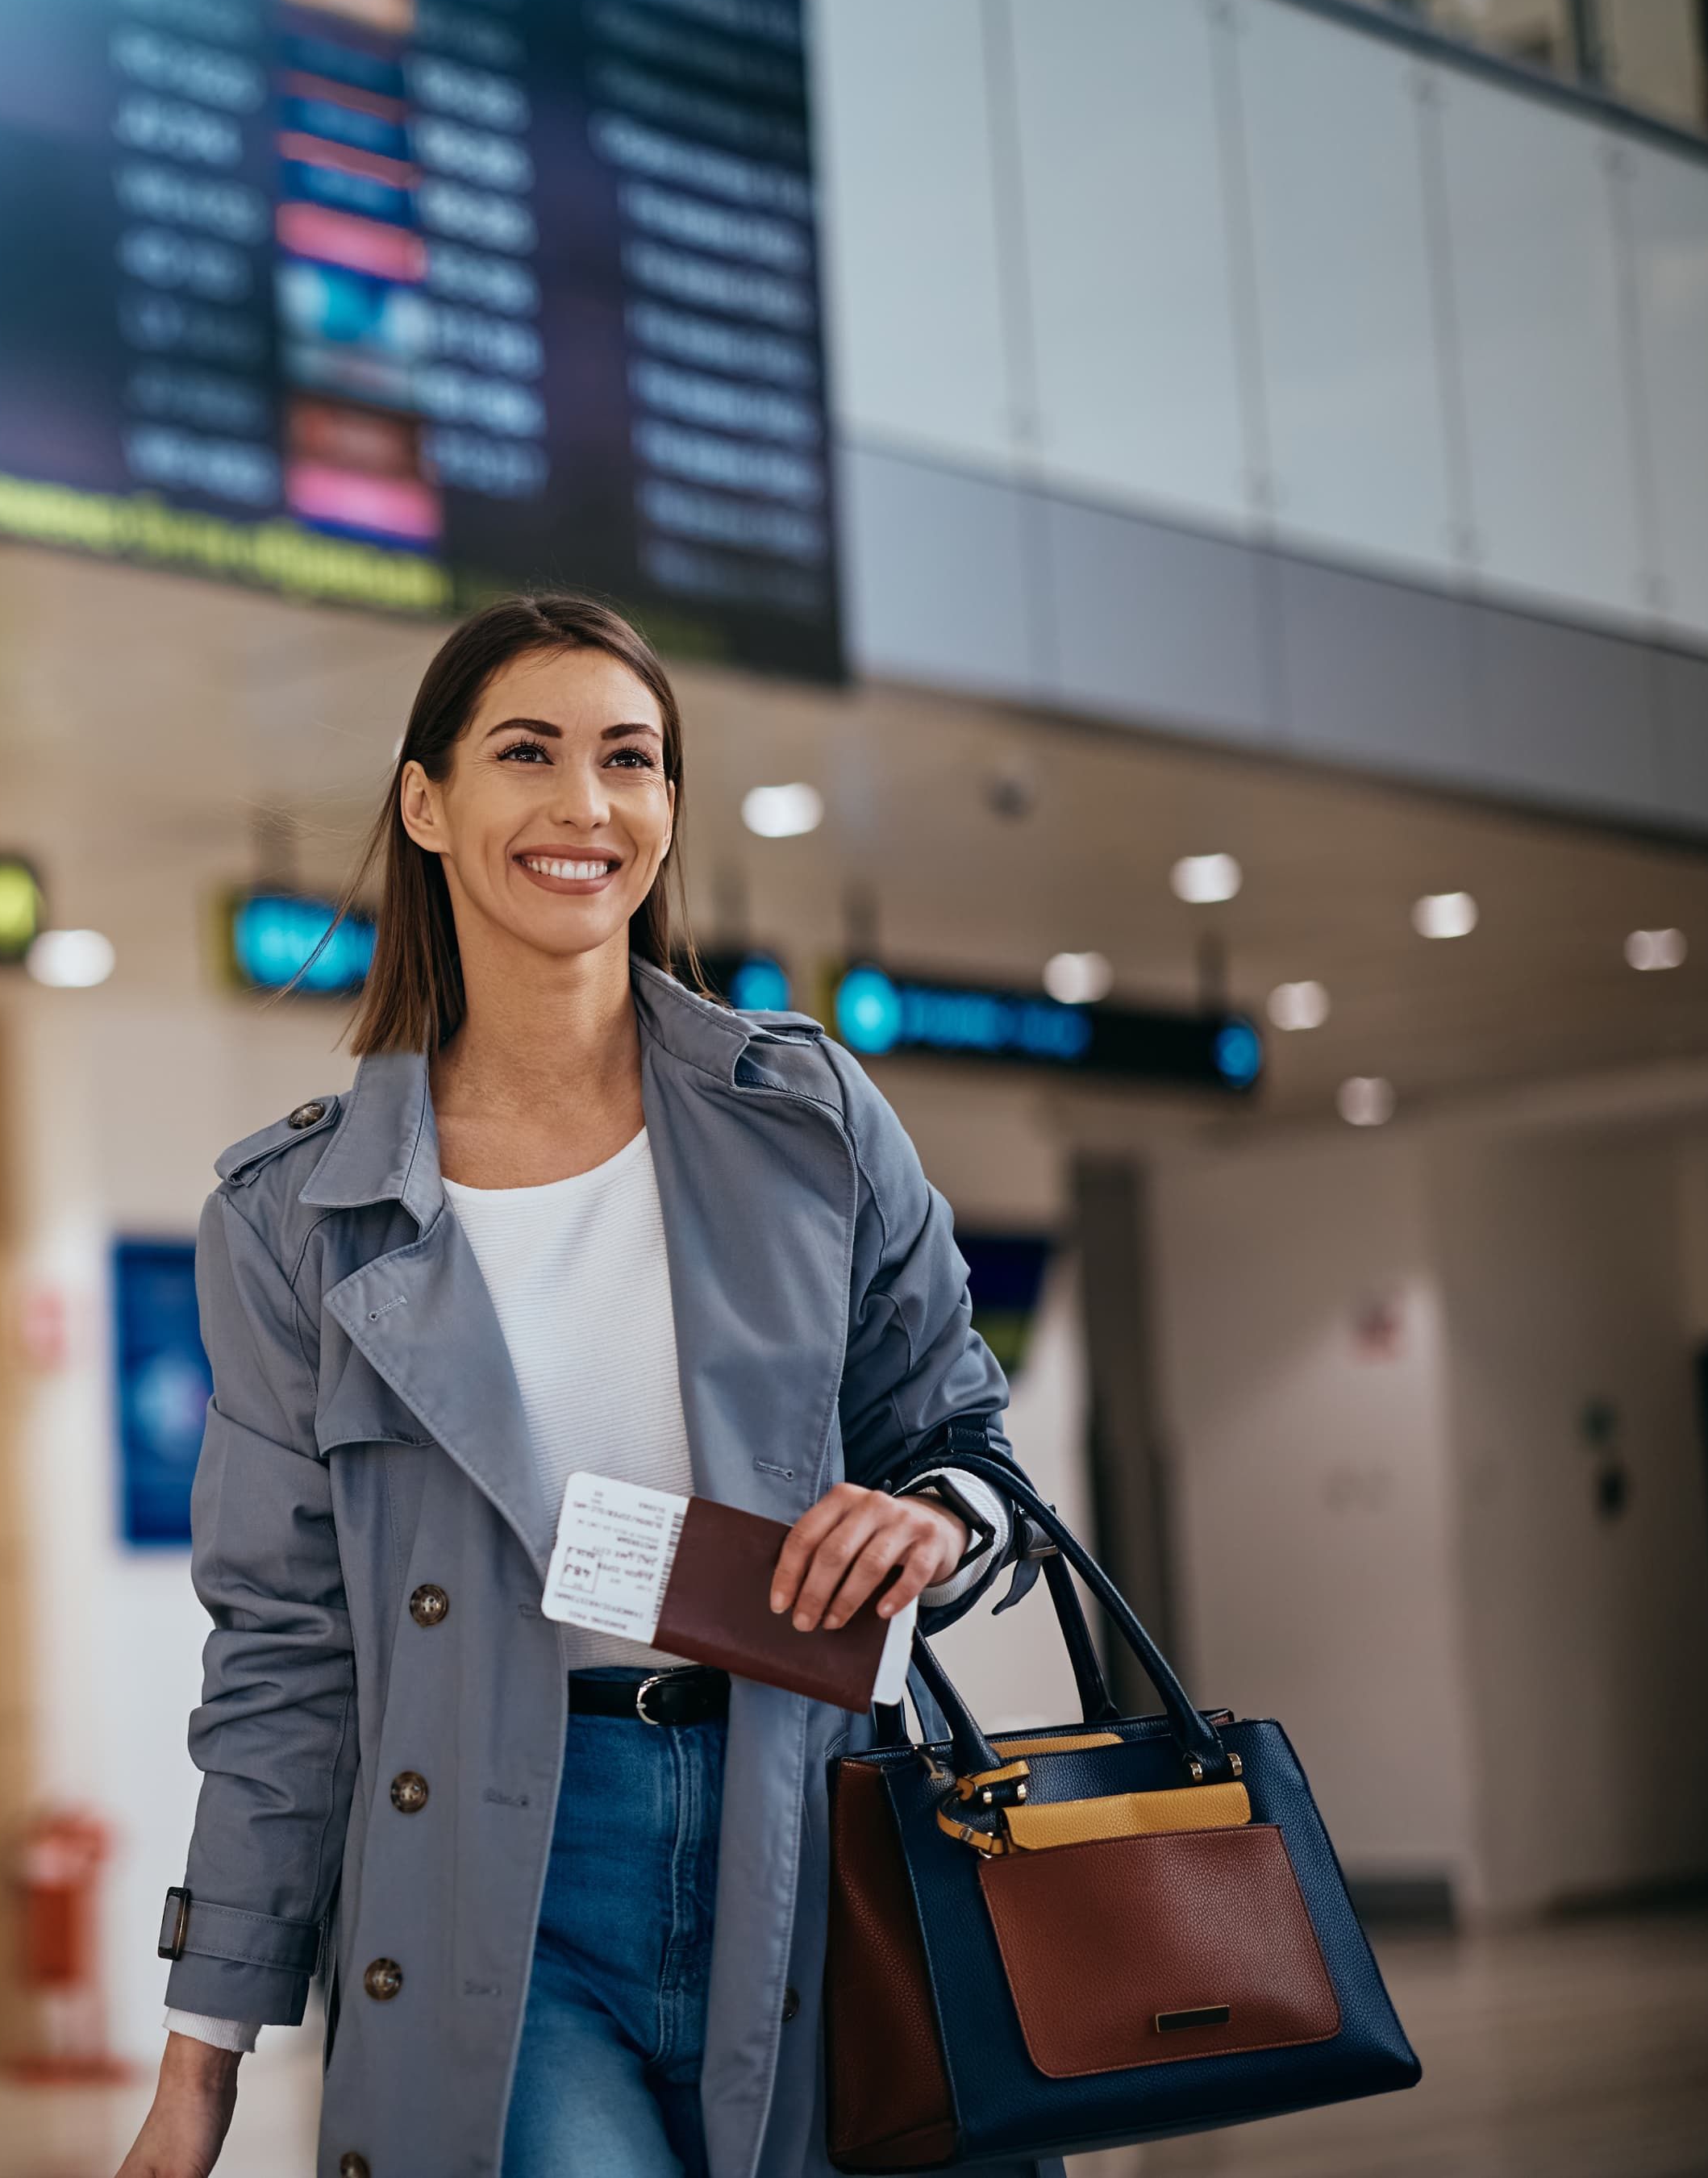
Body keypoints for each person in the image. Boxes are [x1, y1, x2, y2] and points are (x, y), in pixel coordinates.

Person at [115, 596, 1027, 2178]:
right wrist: (200, 2063)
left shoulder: (805, 1121)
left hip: (814, 1825)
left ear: (668, 804)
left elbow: (960, 1437)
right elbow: (280, 1657)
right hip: (494, 1884)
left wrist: (932, 1517)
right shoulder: (290, 1225)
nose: (584, 805)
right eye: (523, 753)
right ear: (425, 804)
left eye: (631, 760)